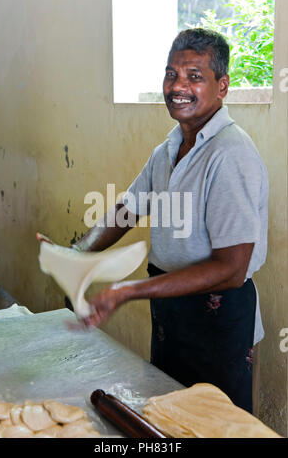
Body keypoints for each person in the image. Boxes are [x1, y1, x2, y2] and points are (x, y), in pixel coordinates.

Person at [69, 29, 269, 413]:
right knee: (165, 415)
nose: (178, 86)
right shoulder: (170, 148)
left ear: (222, 86)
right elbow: (129, 208)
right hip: (170, 314)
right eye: (171, 75)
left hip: (218, 318)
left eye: (194, 76)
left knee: (215, 425)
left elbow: (231, 269)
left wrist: (129, 290)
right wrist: (77, 251)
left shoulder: (230, 155)